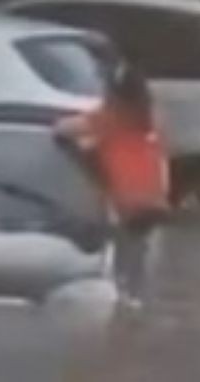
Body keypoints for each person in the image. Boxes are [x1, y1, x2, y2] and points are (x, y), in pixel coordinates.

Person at [54, 62, 169, 304]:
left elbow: (62, 130)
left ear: (113, 93)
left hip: (125, 201)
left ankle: (123, 308)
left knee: (119, 260)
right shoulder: (149, 121)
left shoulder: (109, 118)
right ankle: (135, 305)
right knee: (137, 255)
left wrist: (84, 150)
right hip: (154, 200)